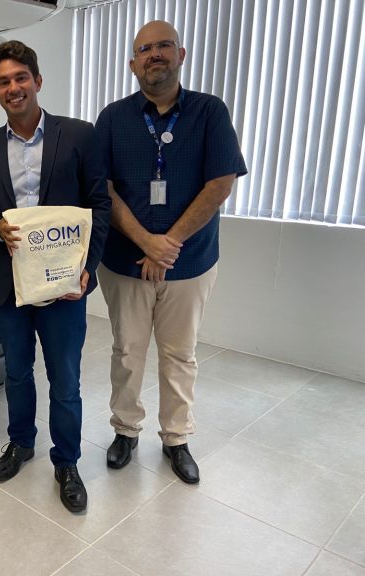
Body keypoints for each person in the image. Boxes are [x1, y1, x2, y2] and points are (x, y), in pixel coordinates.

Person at [95, 21, 247, 484]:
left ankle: (176, 438)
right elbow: (103, 189)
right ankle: (125, 430)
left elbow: (220, 183)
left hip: (190, 262)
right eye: (145, 49)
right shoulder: (113, 118)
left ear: (181, 54)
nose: (155, 54)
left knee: (180, 354)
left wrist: (168, 245)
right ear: (133, 63)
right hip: (125, 262)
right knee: (127, 352)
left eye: (164, 46)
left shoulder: (209, 111)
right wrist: (147, 242)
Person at [0, 41, 111, 513]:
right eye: (3, 81)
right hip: (10, 286)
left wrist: (88, 267)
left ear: (37, 80)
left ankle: (67, 462)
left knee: (65, 380)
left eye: (20, 77)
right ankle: (21, 443)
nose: (13, 87)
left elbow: (100, 206)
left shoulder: (80, 136)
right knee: (16, 373)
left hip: (64, 284)